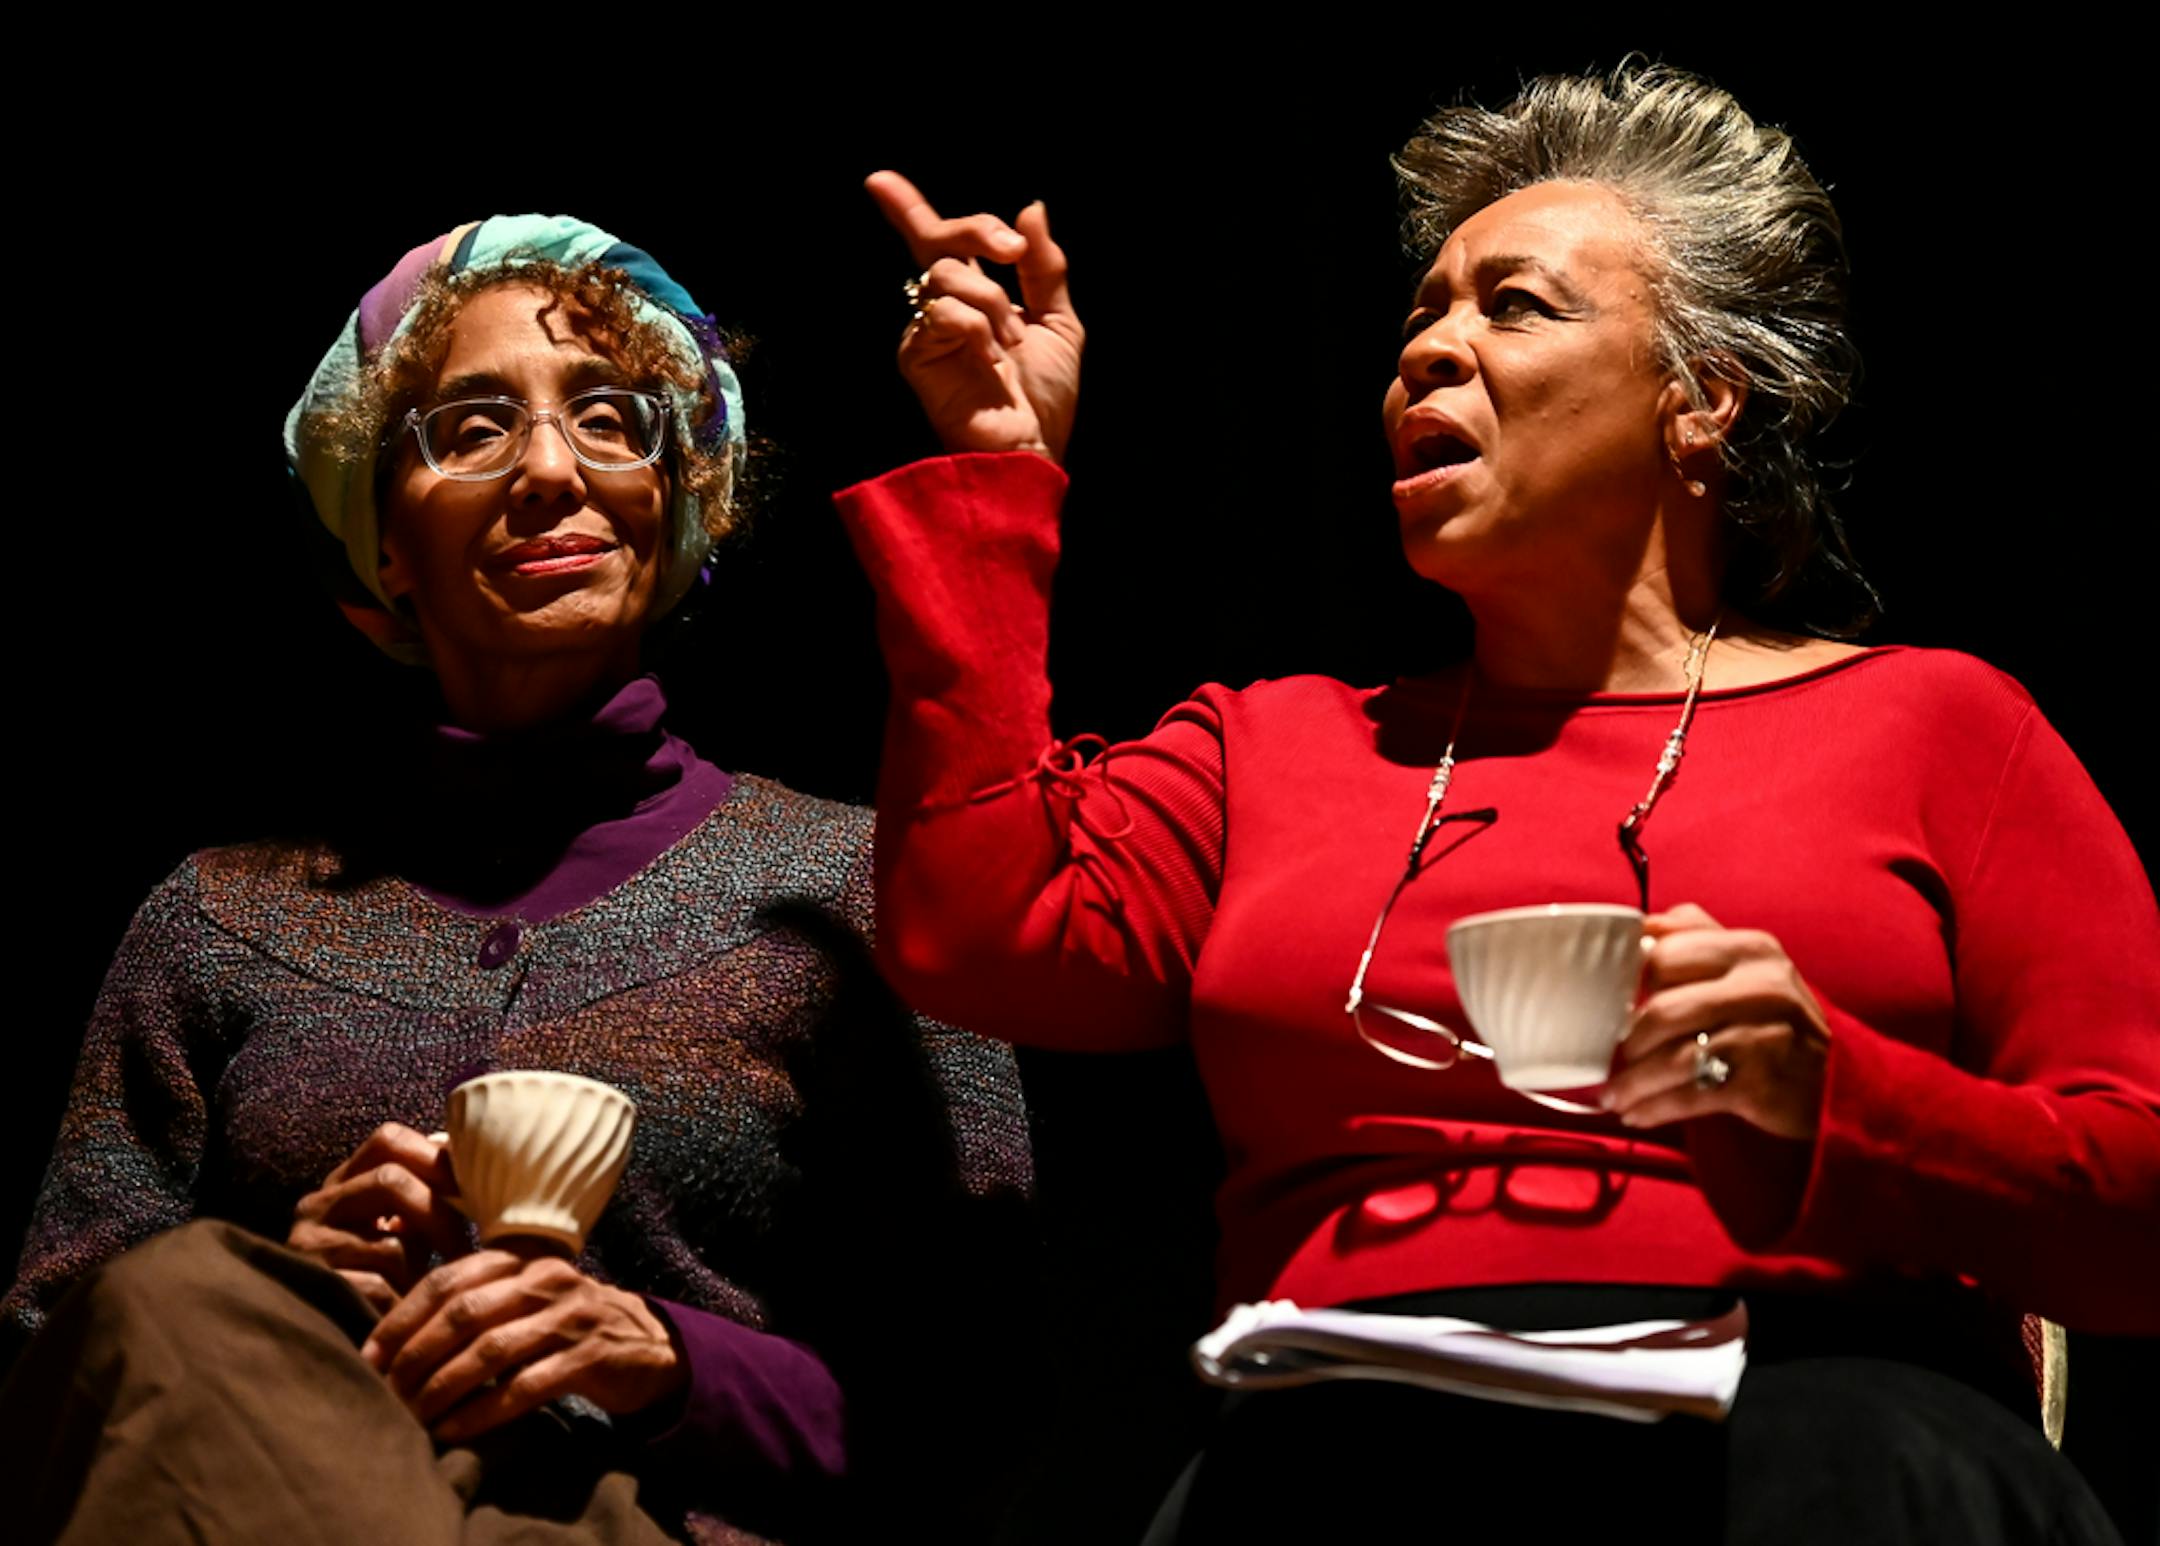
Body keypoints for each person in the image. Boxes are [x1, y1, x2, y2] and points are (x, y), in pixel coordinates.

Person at [835, 65, 2159, 1543]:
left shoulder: (1939, 726)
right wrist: (994, 471)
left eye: (1514, 306)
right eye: (1419, 315)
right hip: (1347, 1448)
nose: (1427, 352)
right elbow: (977, 929)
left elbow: (2137, 1210)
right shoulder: (1275, 744)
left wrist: (1836, 1098)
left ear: (1701, 398)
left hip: (1805, 1413)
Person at [1, 215, 1036, 1546]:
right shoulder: (218, 923)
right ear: (383, 539)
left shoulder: (854, 889)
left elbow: (984, 1396)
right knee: (183, 1295)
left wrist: (662, 1356)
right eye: (472, 428)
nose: (549, 469)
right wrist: (283, 1303)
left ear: (678, 499)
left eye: (611, 419)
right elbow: (60, 1368)